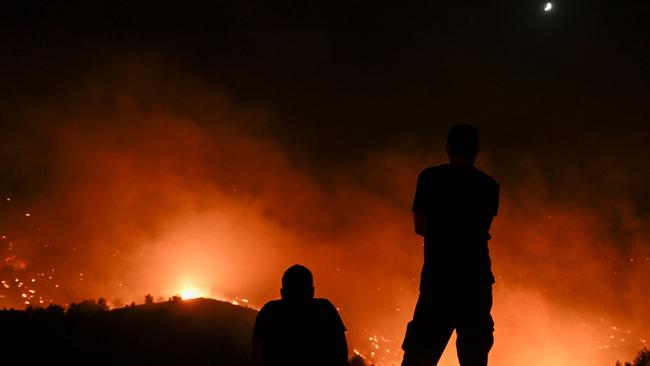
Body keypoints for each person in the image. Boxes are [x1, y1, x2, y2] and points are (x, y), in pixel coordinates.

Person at [401, 124, 499, 366]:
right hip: (475, 283)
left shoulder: (430, 178)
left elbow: (420, 226)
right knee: (474, 357)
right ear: (476, 150)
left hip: (439, 282)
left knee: (419, 356)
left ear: (447, 148)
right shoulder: (488, 185)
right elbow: (481, 228)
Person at [253, 264, 349, 366]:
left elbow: (257, 354)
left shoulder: (269, 312)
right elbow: (341, 352)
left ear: (282, 293)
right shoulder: (325, 309)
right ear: (312, 291)